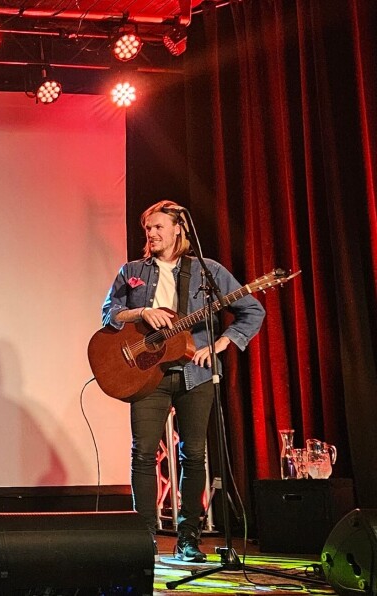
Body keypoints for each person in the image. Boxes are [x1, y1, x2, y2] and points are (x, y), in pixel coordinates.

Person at [100, 200, 265, 562]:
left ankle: (188, 538)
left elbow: (252, 309)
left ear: (179, 229)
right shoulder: (132, 270)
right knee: (143, 454)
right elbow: (109, 313)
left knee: (195, 455)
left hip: (196, 373)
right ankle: (142, 540)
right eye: (148, 229)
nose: (152, 233)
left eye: (158, 227)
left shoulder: (207, 270)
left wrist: (222, 344)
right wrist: (142, 311)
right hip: (148, 375)